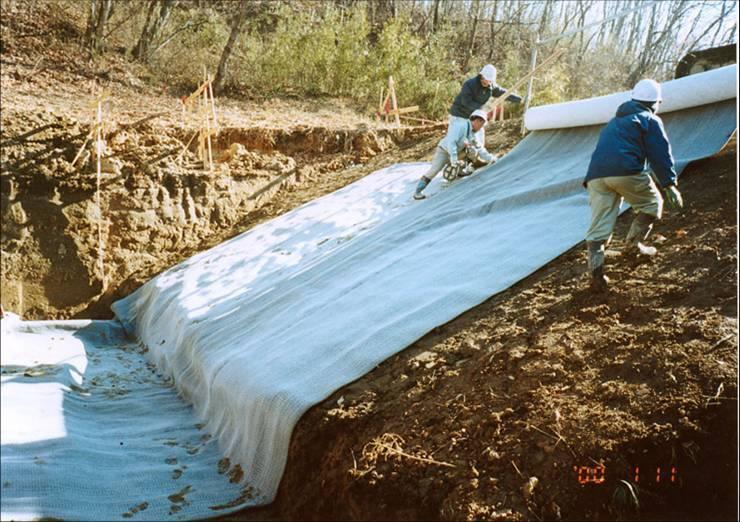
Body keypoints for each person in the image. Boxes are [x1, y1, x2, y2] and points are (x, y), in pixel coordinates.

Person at [583, 78, 683, 291]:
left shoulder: (614, 121)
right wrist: (669, 185)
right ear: (654, 102)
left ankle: (596, 275)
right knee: (652, 203)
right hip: (625, 171)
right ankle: (633, 246)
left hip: (595, 177)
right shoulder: (649, 119)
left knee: (599, 226)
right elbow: (660, 154)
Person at [413, 109, 494, 200]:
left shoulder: (472, 133)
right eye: (481, 125)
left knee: (473, 151)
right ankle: (418, 192)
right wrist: (454, 160)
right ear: (477, 121)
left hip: (456, 153)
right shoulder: (461, 126)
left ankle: (459, 171)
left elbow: (479, 148)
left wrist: (491, 159)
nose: (481, 128)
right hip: (444, 151)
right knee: (434, 170)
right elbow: (451, 143)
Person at [449, 64, 522, 150]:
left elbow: (504, 93)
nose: (486, 82)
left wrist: (519, 99)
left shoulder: (491, 87)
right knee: (456, 141)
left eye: (488, 81)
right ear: (481, 76)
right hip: (459, 115)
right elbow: (466, 102)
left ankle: (478, 158)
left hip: (474, 117)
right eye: (484, 79)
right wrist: (482, 108)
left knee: (479, 138)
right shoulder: (469, 85)